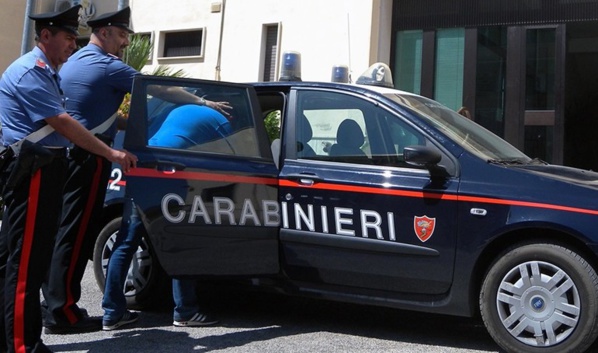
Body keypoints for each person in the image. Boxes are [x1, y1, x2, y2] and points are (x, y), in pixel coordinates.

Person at [40, 6, 231, 335]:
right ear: (106, 32)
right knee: (77, 234)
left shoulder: (76, 62)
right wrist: (204, 103)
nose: (126, 42)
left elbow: (96, 114)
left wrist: (130, 126)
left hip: (67, 154)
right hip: (89, 158)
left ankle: (56, 304)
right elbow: (161, 89)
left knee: (65, 231)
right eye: (123, 35)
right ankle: (62, 310)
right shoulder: (107, 65)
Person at [0, 5, 138, 353]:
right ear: (45, 35)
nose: (72, 45)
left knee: (17, 259)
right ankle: (22, 344)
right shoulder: (33, 70)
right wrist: (110, 153)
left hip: (43, 167)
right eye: (66, 37)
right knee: (26, 264)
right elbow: (61, 122)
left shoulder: (48, 70)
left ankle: (12, 337)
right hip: (34, 170)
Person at [103, 104, 231, 330]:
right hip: (170, 176)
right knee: (179, 241)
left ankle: (112, 313)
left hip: (143, 169)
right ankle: (185, 311)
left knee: (127, 241)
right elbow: (233, 156)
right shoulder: (222, 121)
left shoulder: (172, 110)